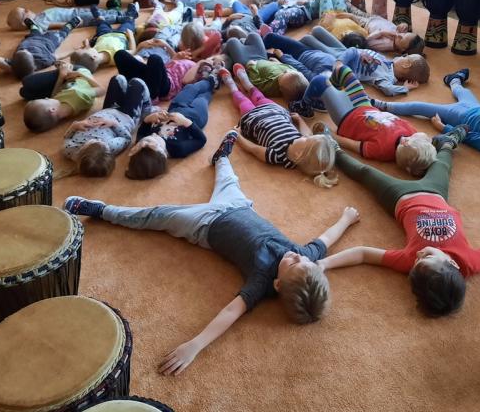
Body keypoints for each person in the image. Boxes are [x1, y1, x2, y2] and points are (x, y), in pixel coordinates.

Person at [63, 133, 361, 375]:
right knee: (228, 177)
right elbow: (326, 240)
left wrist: (195, 345)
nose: (297, 256)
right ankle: (220, 157)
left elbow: (230, 312)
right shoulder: (304, 256)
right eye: (305, 260)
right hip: (239, 206)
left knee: (156, 215)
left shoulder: (261, 280)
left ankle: (101, 210)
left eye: (294, 263)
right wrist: (346, 220)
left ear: (278, 284)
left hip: (205, 225)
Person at [320, 127, 480, 316]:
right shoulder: (469, 262)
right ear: (452, 263)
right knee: (443, 161)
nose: (419, 255)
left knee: (365, 173)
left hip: (400, 198)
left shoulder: (412, 263)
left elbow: (363, 253)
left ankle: (334, 147)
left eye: (417, 262)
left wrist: (324, 264)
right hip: (436, 192)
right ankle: (452, 138)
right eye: (427, 256)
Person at [374, 68, 480, 174]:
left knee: (421, 107)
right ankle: (454, 79)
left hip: (460, 115)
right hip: (479, 108)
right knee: (461, 91)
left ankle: (383, 105)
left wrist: (443, 127)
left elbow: (468, 136)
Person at [220, 66, 338, 188]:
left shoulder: (276, 155)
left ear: (298, 154)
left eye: (307, 139)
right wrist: (300, 120)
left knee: (243, 102)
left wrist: (238, 136)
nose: (306, 136)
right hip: (275, 111)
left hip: (253, 119)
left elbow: (253, 149)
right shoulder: (302, 143)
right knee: (260, 97)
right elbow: (307, 132)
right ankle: (246, 82)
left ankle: (232, 86)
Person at [308, 63, 435, 176]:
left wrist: (332, 136)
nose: (425, 137)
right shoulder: (411, 134)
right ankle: (329, 94)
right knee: (342, 70)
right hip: (365, 105)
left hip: (346, 118)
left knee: (319, 81)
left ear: (406, 143)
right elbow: (426, 138)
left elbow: (354, 145)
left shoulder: (383, 150)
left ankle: (305, 104)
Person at [125, 78, 217, 180]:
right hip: (196, 115)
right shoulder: (177, 149)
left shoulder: (142, 143)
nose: (153, 135)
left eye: (148, 138)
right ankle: (214, 82)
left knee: (190, 88)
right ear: (163, 153)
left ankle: (211, 79)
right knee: (203, 97)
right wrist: (185, 122)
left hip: (176, 106)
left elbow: (144, 126)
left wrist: (150, 118)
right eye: (155, 139)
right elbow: (201, 140)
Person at [300, 26, 430, 97]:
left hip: (342, 61)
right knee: (317, 30)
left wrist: (405, 88)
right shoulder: (388, 61)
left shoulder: (387, 77)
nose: (403, 56)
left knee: (308, 39)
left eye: (405, 57)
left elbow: (388, 90)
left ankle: (297, 50)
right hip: (347, 51)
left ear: (406, 64)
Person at [63, 75, 152, 177]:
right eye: (100, 142)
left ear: (82, 151)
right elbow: (127, 138)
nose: (96, 139)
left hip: (108, 109)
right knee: (137, 82)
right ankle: (146, 109)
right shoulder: (110, 146)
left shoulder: (71, 151)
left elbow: (66, 138)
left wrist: (74, 126)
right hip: (126, 117)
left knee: (117, 78)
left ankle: (125, 95)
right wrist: (114, 124)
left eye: (91, 142)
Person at [224, 32, 308, 102]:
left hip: (248, 63)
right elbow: (286, 66)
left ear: (281, 88)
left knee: (232, 41)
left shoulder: (271, 88)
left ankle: (231, 49)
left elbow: (256, 82)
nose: (285, 71)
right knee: (254, 35)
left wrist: (251, 66)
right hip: (262, 58)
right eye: (287, 71)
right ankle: (242, 43)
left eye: (282, 76)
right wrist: (277, 62)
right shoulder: (292, 73)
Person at [23, 62, 104, 132]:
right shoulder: (79, 95)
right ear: (52, 110)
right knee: (27, 82)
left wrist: (61, 77)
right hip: (79, 72)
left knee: (25, 91)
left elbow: (54, 96)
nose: (47, 98)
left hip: (69, 82)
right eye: (45, 100)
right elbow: (102, 90)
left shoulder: (61, 110)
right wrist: (80, 74)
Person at [0, 16, 81, 79]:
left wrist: (11, 68)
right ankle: (70, 25)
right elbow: (58, 56)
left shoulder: (16, 65)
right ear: (34, 64)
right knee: (61, 34)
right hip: (49, 42)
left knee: (34, 31)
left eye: (21, 50)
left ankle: (34, 26)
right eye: (26, 51)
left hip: (32, 38)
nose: (25, 49)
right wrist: (73, 51)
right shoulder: (44, 61)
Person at [6, 4, 137, 32]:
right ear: (25, 23)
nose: (28, 9)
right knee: (98, 17)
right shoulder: (39, 23)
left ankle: (123, 12)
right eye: (25, 12)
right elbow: (55, 25)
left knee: (100, 11)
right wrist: (74, 24)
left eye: (25, 8)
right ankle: (125, 17)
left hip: (74, 11)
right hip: (75, 17)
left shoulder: (40, 15)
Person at [69, 18, 137, 72]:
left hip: (103, 34)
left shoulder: (94, 52)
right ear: (94, 57)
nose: (85, 48)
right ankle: (130, 14)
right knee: (129, 21)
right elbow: (133, 51)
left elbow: (88, 50)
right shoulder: (117, 57)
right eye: (84, 49)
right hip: (122, 34)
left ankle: (103, 19)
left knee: (101, 23)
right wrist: (131, 36)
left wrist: (87, 45)